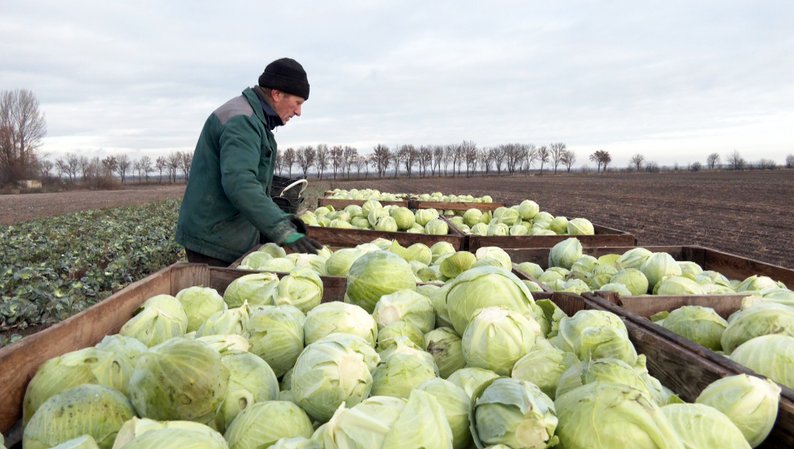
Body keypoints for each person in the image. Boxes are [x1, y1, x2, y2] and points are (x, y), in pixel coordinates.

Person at [176, 57, 323, 266]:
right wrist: (281, 228)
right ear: (276, 94)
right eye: (297, 103)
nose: (299, 112)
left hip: (228, 231)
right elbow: (240, 183)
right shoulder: (242, 121)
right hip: (214, 238)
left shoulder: (256, 120)